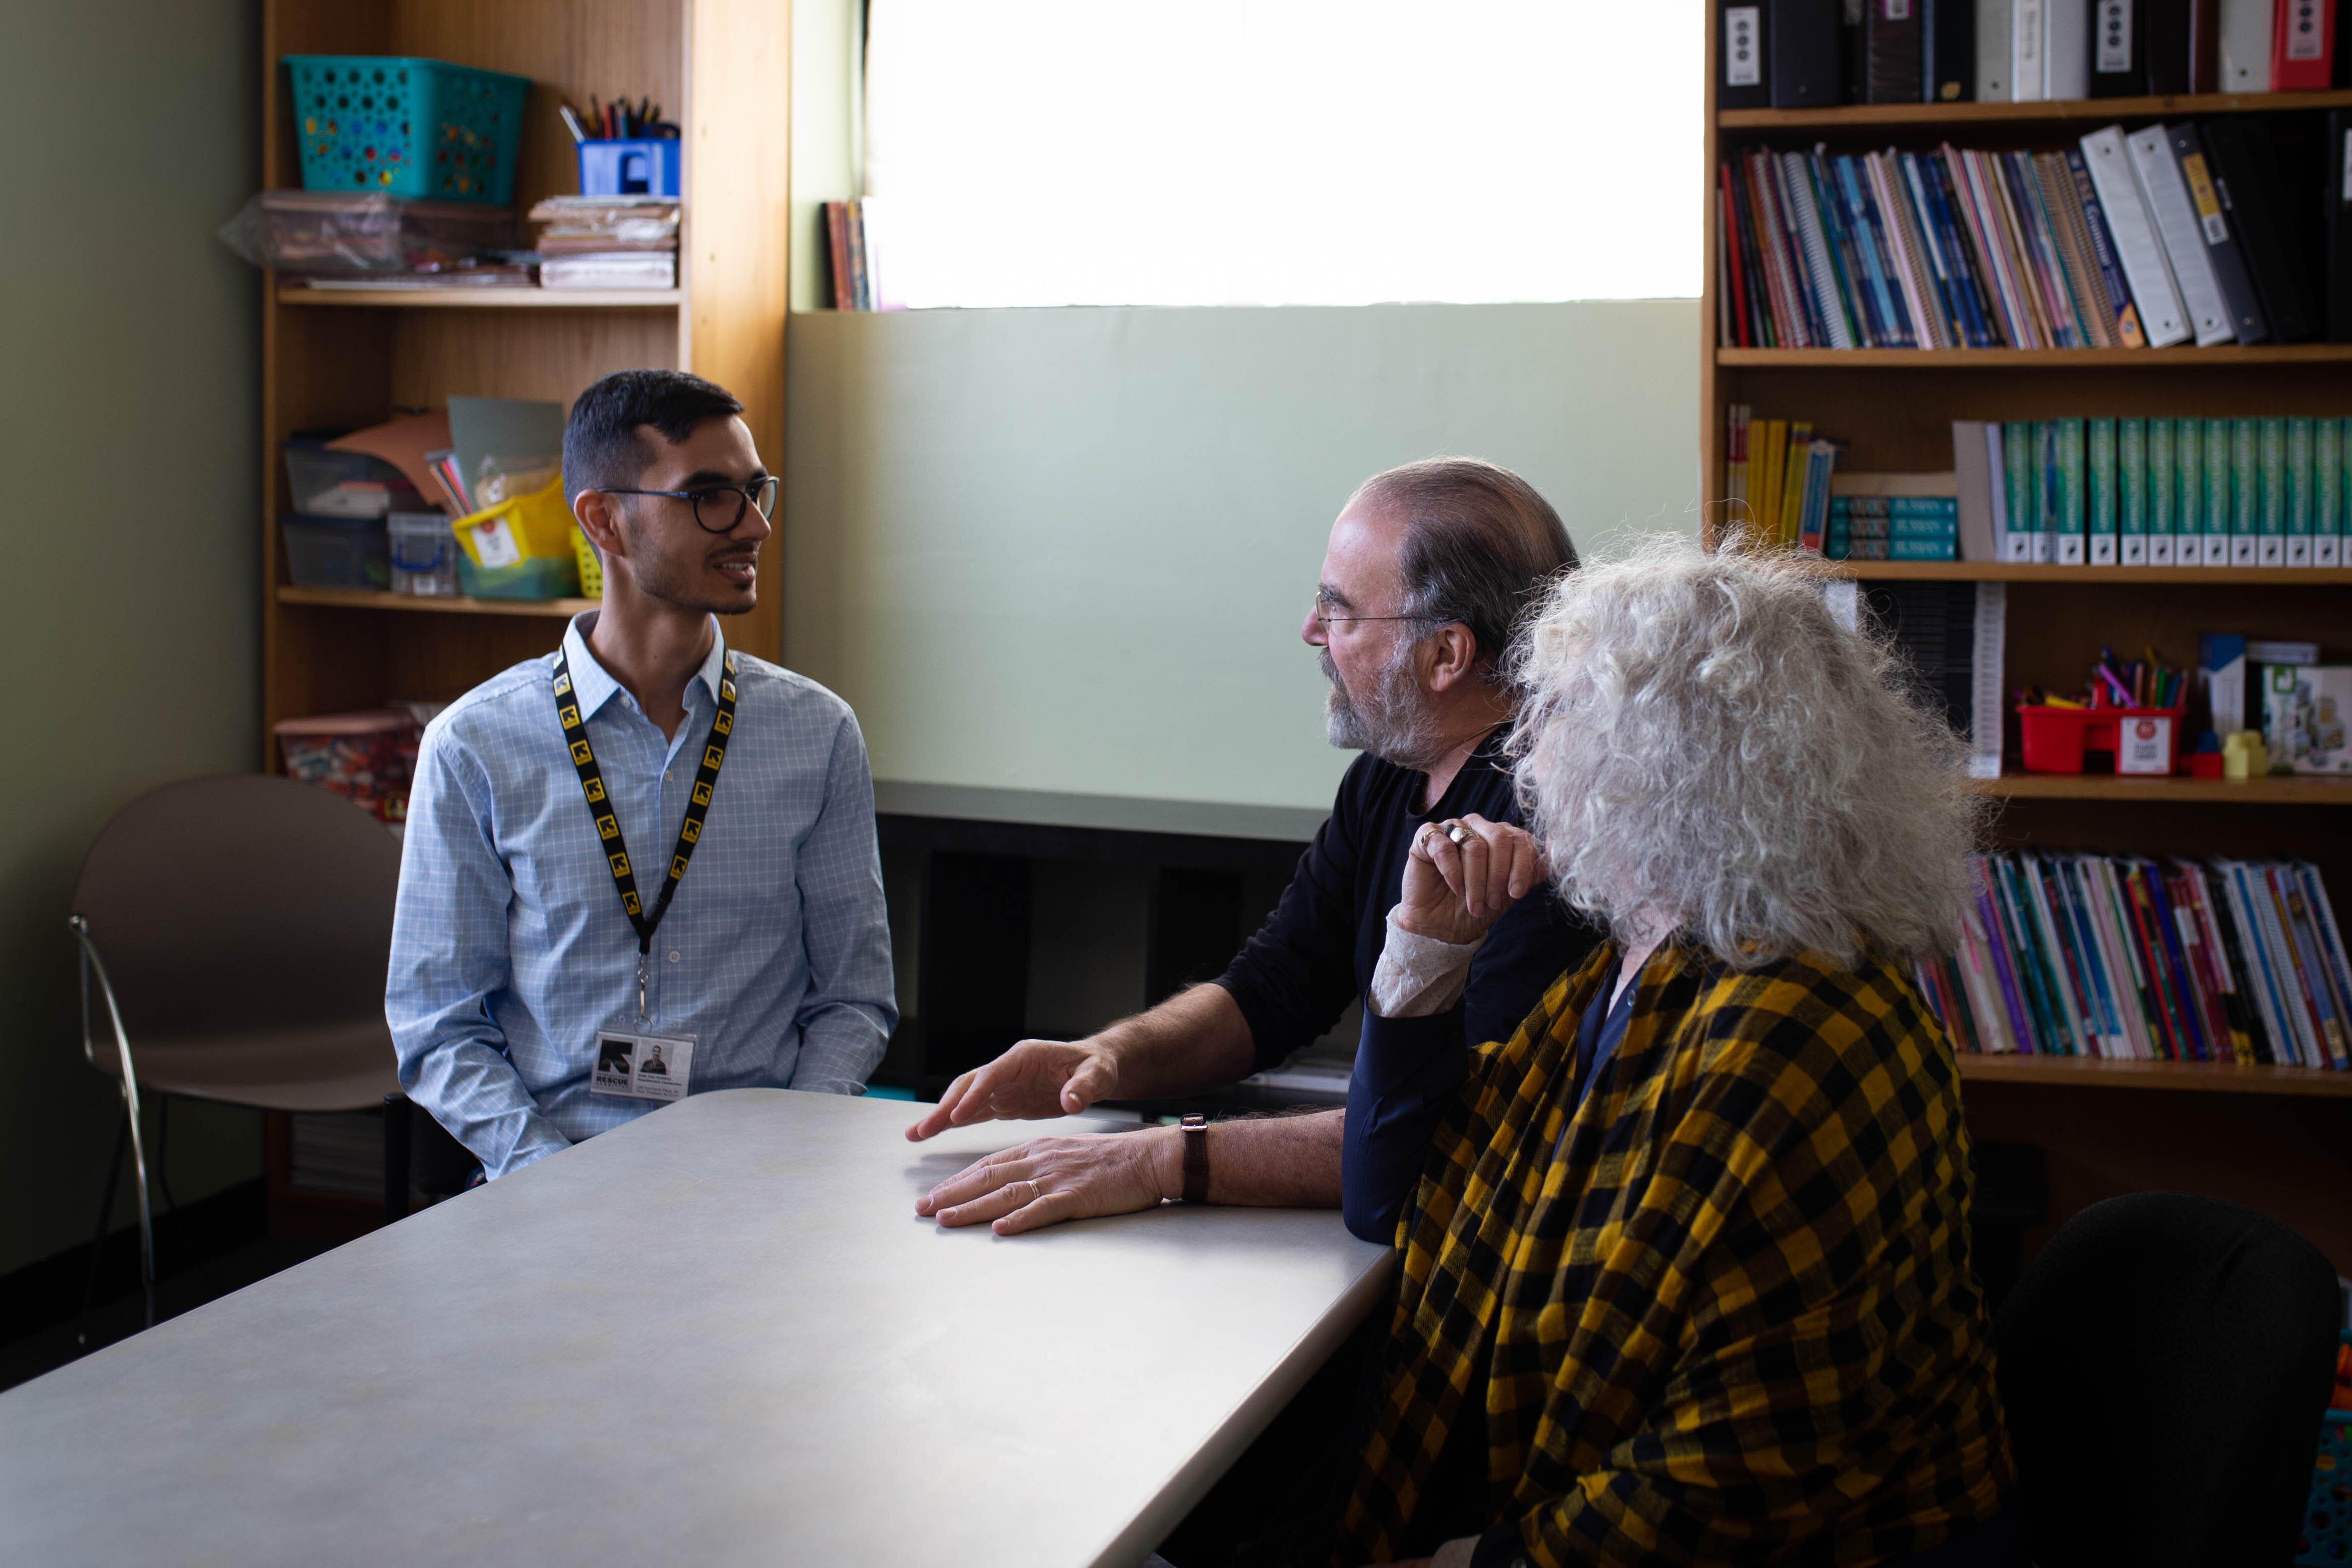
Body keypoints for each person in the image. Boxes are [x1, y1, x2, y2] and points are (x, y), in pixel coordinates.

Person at [1333, 536, 2017, 1567]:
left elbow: (1723, 1481)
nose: (1523, 747)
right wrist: (1425, 955)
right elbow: (1390, 1194)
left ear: (1660, 759)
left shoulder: (1797, 1025)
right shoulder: (1634, 969)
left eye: (1556, 713)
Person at [907, 458, 1598, 1234]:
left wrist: (1155, 1159)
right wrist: (1103, 1058)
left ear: (1446, 654)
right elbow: (1272, 988)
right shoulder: (1390, 773)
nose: (1311, 631)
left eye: (1338, 611)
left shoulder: (1546, 822)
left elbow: (1447, 1131)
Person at [387, 370, 896, 1178]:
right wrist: (547, 1180)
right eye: (709, 495)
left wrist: (791, 1153)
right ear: (605, 520)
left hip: (759, 1179)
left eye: (756, 489)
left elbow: (852, 999)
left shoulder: (817, 733)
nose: (756, 525)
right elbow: (437, 1023)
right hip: (549, 1178)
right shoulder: (474, 745)